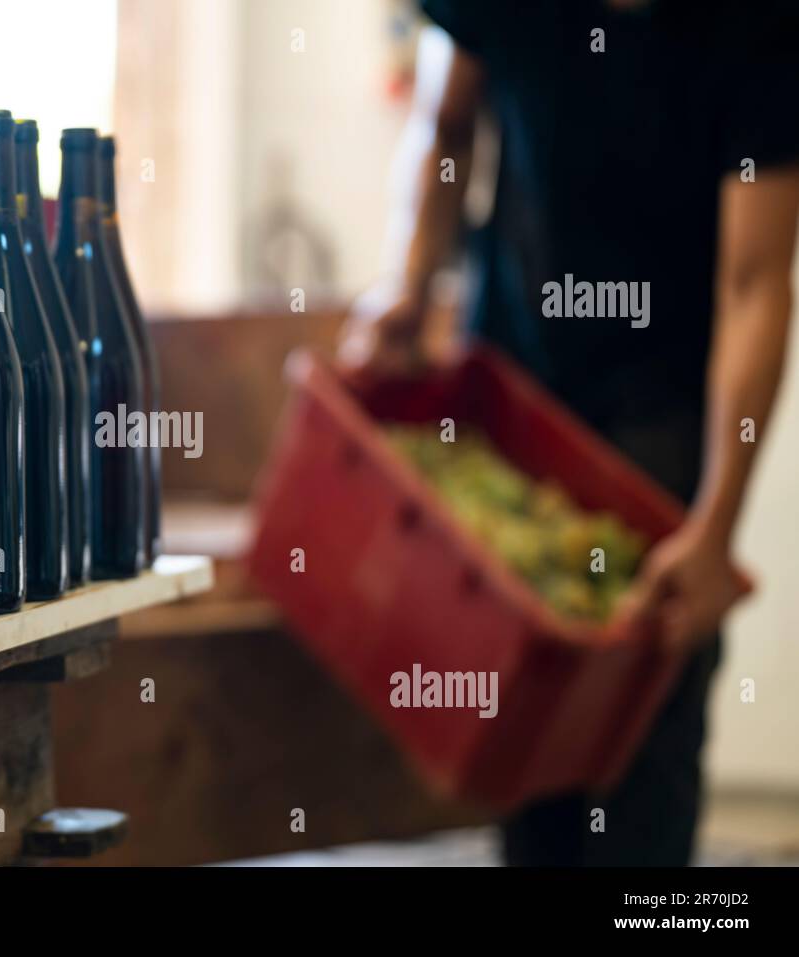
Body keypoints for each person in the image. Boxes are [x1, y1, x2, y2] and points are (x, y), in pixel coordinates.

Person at [340, 0, 799, 865]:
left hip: (655, 428)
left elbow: (756, 286)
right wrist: (408, 281)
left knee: (638, 765)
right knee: (526, 747)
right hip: (509, 402)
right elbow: (445, 130)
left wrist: (717, 524)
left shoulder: (758, 29)